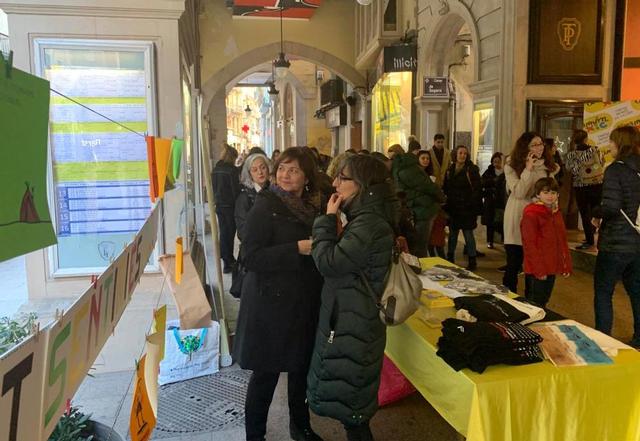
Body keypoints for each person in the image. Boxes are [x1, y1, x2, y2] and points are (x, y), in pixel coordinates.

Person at [233, 147, 324, 441]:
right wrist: (295, 249)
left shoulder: (313, 207)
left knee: (300, 370)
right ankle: (255, 436)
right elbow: (250, 256)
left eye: (294, 170)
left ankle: (301, 428)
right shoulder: (266, 204)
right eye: (282, 168)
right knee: (266, 374)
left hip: (302, 302)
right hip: (270, 305)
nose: (286, 175)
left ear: (307, 177)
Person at [307, 154, 396, 441]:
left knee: (353, 405)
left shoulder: (368, 223)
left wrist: (326, 221)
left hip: (354, 321)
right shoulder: (365, 217)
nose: (335, 183)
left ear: (361, 184)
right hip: (352, 315)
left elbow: (328, 263)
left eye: (342, 178)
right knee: (351, 401)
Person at [592, 126, 640, 348]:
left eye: (611, 141)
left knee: (603, 292)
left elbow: (611, 207)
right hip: (637, 241)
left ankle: (603, 340)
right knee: (636, 291)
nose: (609, 145)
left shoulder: (615, 170)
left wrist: (595, 212)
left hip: (615, 242)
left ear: (619, 143)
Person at [503, 132, 558, 293]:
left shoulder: (548, 167)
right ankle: (509, 298)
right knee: (513, 263)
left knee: (533, 264)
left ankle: (530, 300)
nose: (539, 148)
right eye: (534, 145)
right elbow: (519, 192)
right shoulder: (511, 166)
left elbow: (552, 193)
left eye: (541, 144)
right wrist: (528, 169)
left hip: (538, 219)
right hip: (518, 216)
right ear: (525, 147)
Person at [520, 178, 572, 308]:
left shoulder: (556, 213)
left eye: (553, 193)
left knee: (543, 301)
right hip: (536, 268)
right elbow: (529, 244)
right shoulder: (531, 213)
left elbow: (562, 240)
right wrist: (538, 269)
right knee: (534, 304)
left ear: (558, 195)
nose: (550, 196)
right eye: (546, 192)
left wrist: (566, 264)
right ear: (538, 194)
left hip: (551, 266)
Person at [392, 152, 443, 257]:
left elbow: (423, 187)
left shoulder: (401, 170)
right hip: (423, 209)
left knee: (418, 243)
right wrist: (441, 197)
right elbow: (428, 187)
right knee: (420, 244)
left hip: (419, 209)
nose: (425, 160)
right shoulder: (409, 169)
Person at [443, 145, 483, 270]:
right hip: (454, 208)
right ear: (455, 154)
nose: (463, 156)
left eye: (465, 153)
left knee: (468, 234)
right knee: (453, 234)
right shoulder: (450, 169)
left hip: (467, 208)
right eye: (460, 153)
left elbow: (477, 189)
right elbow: (446, 187)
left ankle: (472, 260)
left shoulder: (471, 169)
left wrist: (470, 204)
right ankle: (450, 257)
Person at [565, 129, 604, 250]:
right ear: (586, 139)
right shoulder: (594, 150)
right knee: (596, 211)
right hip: (596, 184)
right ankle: (597, 237)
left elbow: (569, 169)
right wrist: (592, 169)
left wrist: (581, 169)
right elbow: (600, 164)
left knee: (584, 213)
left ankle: (589, 239)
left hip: (580, 186)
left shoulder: (571, 154)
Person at [212, 144, 241, 273]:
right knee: (229, 233)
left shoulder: (216, 169)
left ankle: (226, 260)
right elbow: (235, 190)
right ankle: (228, 260)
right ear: (232, 157)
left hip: (219, 205)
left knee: (223, 233)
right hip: (230, 206)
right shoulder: (232, 170)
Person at [235, 153, 271, 242]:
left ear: (268, 169)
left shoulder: (274, 191)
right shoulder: (244, 198)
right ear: (249, 174)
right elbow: (242, 232)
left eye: (263, 168)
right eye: (254, 170)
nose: (260, 172)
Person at [481, 152, 505, 249]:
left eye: (498, 161)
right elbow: (482, 182)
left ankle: (504, 240)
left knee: (502, 221)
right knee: (490, 222)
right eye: (494, 161)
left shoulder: (506, 172)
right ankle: (490, 241)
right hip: (490, 200)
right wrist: (493, 181)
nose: (496, 164)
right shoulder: (489, 171)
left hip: (501, 200)